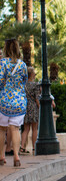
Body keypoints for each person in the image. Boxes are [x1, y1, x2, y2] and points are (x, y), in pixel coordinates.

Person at [0, 39, 27, 167]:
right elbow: (24, 80)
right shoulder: (22, 65)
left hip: (4, 100)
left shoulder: (2, 63)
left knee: (2, 129)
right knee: (15, 129)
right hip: (19, 101)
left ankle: (1, 156)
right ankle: (16, 156)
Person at [20, 67, 39, 155]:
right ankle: (34, 147)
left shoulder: (23, 84)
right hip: (33, 107)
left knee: (26, 128)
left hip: (25, 107)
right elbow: (37, 98)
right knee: (34, 128)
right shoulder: (35, 85)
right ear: (32, 74)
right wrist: (39, 107)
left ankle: (22, 147)